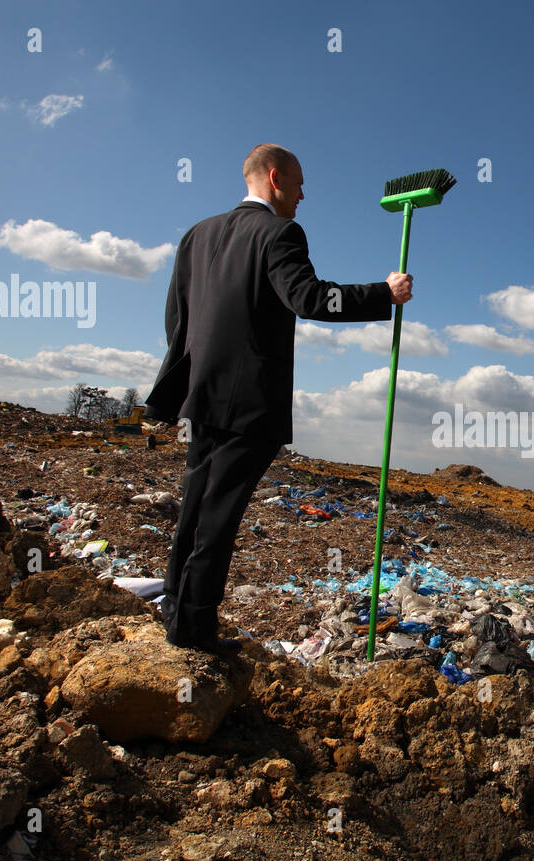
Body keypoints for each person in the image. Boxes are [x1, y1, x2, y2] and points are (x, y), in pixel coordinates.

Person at [144, 143, 413, 656]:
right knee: (218, 516)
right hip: (248, 404)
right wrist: (383, 293)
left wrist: (189, 375)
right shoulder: (279, 232)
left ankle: (176, 609)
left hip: (200, 394)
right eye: (298, 183)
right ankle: (194, 629)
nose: (303, 194)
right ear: (274, 178)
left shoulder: (196, 235)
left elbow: (176, 318)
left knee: (196, 507)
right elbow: (310, 298)